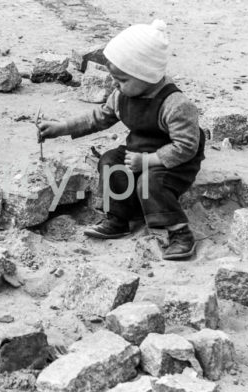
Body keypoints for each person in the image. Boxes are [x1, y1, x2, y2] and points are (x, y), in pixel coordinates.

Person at [38, 20, 205, 260]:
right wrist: (61, 128)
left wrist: (149, 160)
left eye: (123, 80)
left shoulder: (176, 105)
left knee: (150, 183)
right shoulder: (122, 95)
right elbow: (99, 118)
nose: (116, 85)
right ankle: (119, 218)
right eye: (115, 79)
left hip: (174, 159)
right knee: (109, 161)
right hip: (139, 150)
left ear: (146, 74)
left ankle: (179, 232)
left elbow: (186, 147)